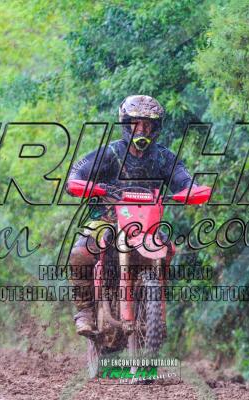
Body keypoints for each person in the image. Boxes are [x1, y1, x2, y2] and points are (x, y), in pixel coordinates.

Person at [65, 95, 196, 336]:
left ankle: (153, 308)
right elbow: (77, 172)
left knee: (168, 249)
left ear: (155, 128)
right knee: (80, 252)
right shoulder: (110, 153)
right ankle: (85, 311)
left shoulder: (164, 157)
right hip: (107, 220)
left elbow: (184, 179)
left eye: (148, 124)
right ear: (126, 125)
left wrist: (191, 190)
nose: (142, 130)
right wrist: (81, 184)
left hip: (147, 225)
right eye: (136, 123)